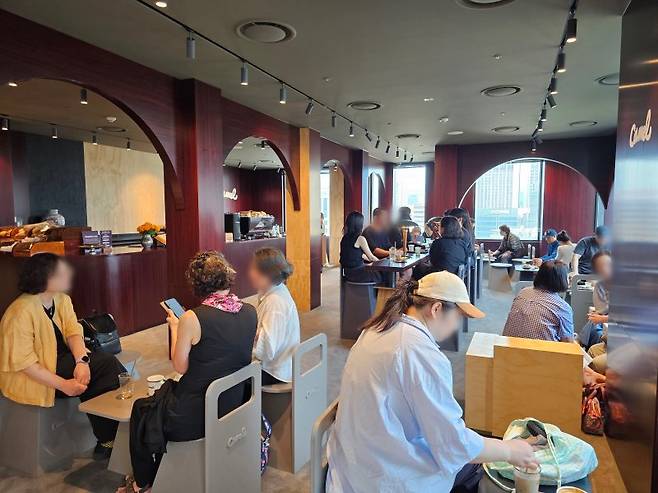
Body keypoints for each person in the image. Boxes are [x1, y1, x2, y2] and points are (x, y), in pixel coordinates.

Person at [326, 273, 537, 492]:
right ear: (436, 309)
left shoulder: (377, 328)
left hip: (352, 465)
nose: (456, 326)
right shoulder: (420, 352)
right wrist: (511, 450)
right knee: (484, 472)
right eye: (458, 317)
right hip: (386, 476)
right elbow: (453, 445)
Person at [121, 251, 257, 492]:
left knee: (141, 409)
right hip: (234, 403)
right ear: (227, 276)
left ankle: (142, 483)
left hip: (195, 414)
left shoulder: (193, 318)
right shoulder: (249, 310)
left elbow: (180, 366)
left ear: (197, 282)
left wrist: (176, 327)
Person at [0, 253, 125, 460]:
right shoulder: (20, 312)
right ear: (44, 278)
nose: (68, 275)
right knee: (108, 367)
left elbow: (73, 332)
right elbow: (25, 364)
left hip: (61, 361)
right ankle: (113, 437)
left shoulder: (61, 299)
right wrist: (64, 385)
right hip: (33, 374)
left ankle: (112, 437)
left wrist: (82, 361)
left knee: (105, 367)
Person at [249, 248, 301, 386]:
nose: (250, 273)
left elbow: (267, 351)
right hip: (277, 364)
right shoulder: (276, 291)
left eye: (254, 269)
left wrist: (248, 339)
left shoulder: (274, 302)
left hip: (274, 371)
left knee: (228, 375)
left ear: (267, 274)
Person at [502, 260, 574, 342]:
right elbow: (568, 342)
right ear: (562, 279)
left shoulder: (523, 292)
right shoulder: (562, 307)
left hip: (508, 346)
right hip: (538, 350)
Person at [580, 251, 612, 361]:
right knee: (594, 327)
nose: (605, 269)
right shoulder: (600, 286)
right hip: (606, 320)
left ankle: (580, 345)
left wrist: (603, 318)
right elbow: (601, 309)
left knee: (593, 328)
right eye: (600, 267)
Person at [339, 211, 382, 283]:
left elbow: (356, 254)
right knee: (382, 274)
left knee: (372, 268)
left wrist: (372, 262)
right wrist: (382, 263)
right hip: (358, 273)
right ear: (359, 225)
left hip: (348, 273)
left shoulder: (344, 238)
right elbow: (371, 257)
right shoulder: (360, 239)